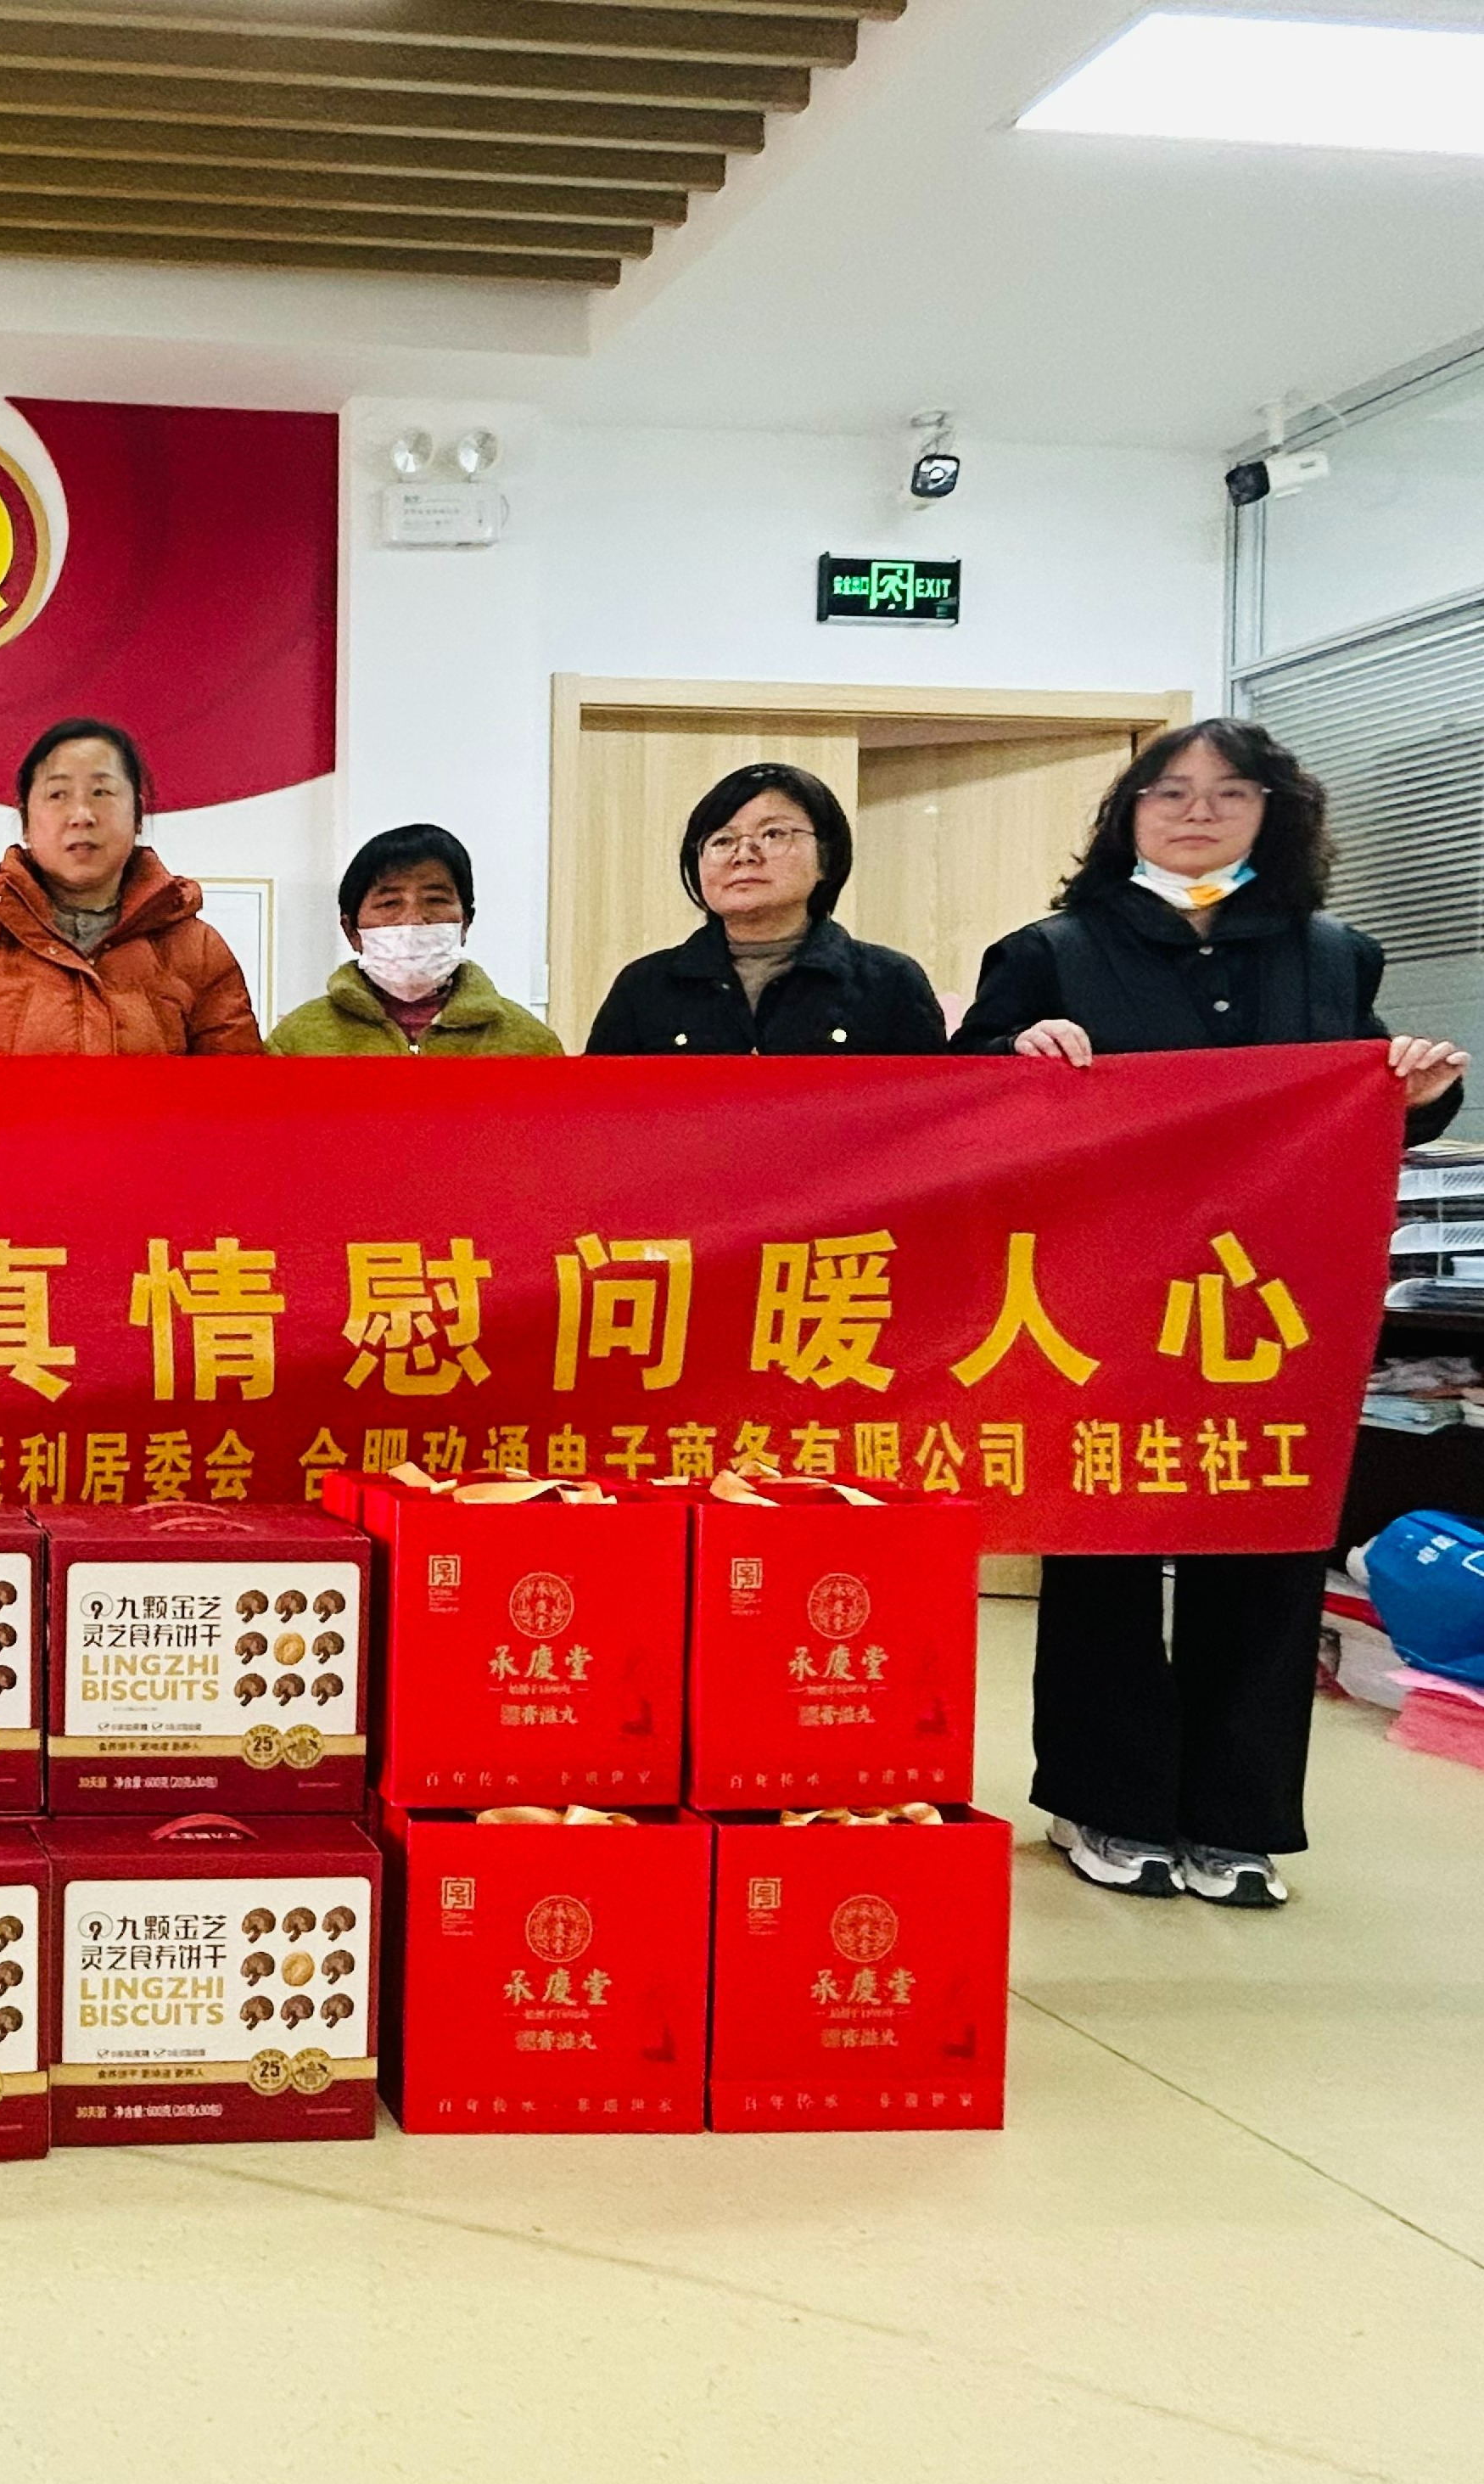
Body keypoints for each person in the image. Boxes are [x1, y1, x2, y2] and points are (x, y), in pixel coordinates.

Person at [955, 718, 1467, 1910]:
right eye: (1169, 791)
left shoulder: (1332, 954)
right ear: (1126, 813)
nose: (1196, 812)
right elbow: (967, 1087)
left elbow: (1361, 1111)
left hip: (1271, 1300)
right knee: (1106, 1545)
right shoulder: (1050, 950)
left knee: (1267, 1545)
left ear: (1271, 816)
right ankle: (1105, 1798)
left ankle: (1235, 1818)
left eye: (1228, 793)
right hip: (1103, 1293)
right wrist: (1017, 1050)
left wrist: (1420, 1094)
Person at [0, 718, 260, 1054]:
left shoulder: (198, 952)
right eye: (58, 795)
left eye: (102, 792)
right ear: (26, 822)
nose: (82, 815)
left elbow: (238, 1092)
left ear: (137, 815)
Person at [581, 762, 945, 1055]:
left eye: (773, 834)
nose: (744, 855)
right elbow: (600, 1107)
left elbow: (931, 1109)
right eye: (722, 840)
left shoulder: (891, 982)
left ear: (826, 859)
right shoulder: (644, 986)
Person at [265, 821, 561, 1058]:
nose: (414, 920)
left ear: (465, 923)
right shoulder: (297, 1041)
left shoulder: (529, 1043)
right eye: (389, 903)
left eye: (435, 900)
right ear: (352, 931)